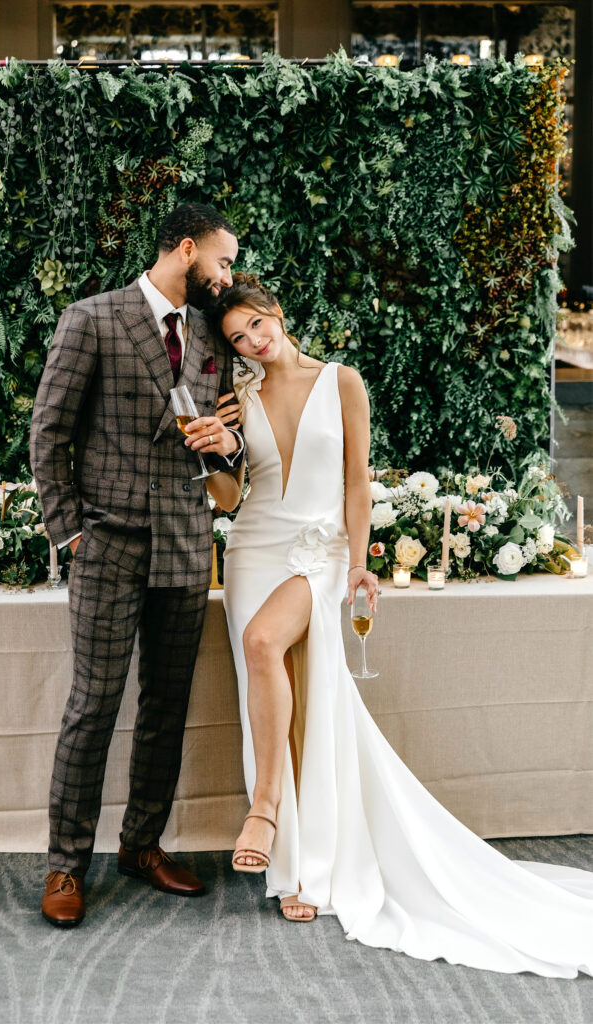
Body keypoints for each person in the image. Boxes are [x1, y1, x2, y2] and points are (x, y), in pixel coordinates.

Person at [207, 272, 593, 976]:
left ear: (278, 310)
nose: (253, 343)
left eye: (256, 326)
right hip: (252, 551)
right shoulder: (240, 398)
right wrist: (207, 451)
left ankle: (265, 809)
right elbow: (232, 496)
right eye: (237, 339)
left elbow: (358, 481)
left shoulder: (341, 381)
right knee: (284, 690)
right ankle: (298, 870)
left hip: (318, 552)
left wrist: (357, 564)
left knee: (266, 645)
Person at [30, 204, 245, 927]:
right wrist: (70, 533)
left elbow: (236, 433)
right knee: (93, 704)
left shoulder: (219, 332)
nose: (229, 276)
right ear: (186, 249)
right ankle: (66, 863)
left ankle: (141, 845)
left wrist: (227, 442)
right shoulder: (91, 317)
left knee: (166, 706)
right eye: (222, 260)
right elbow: (48, 432)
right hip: (108, 542)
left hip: (185, 541)